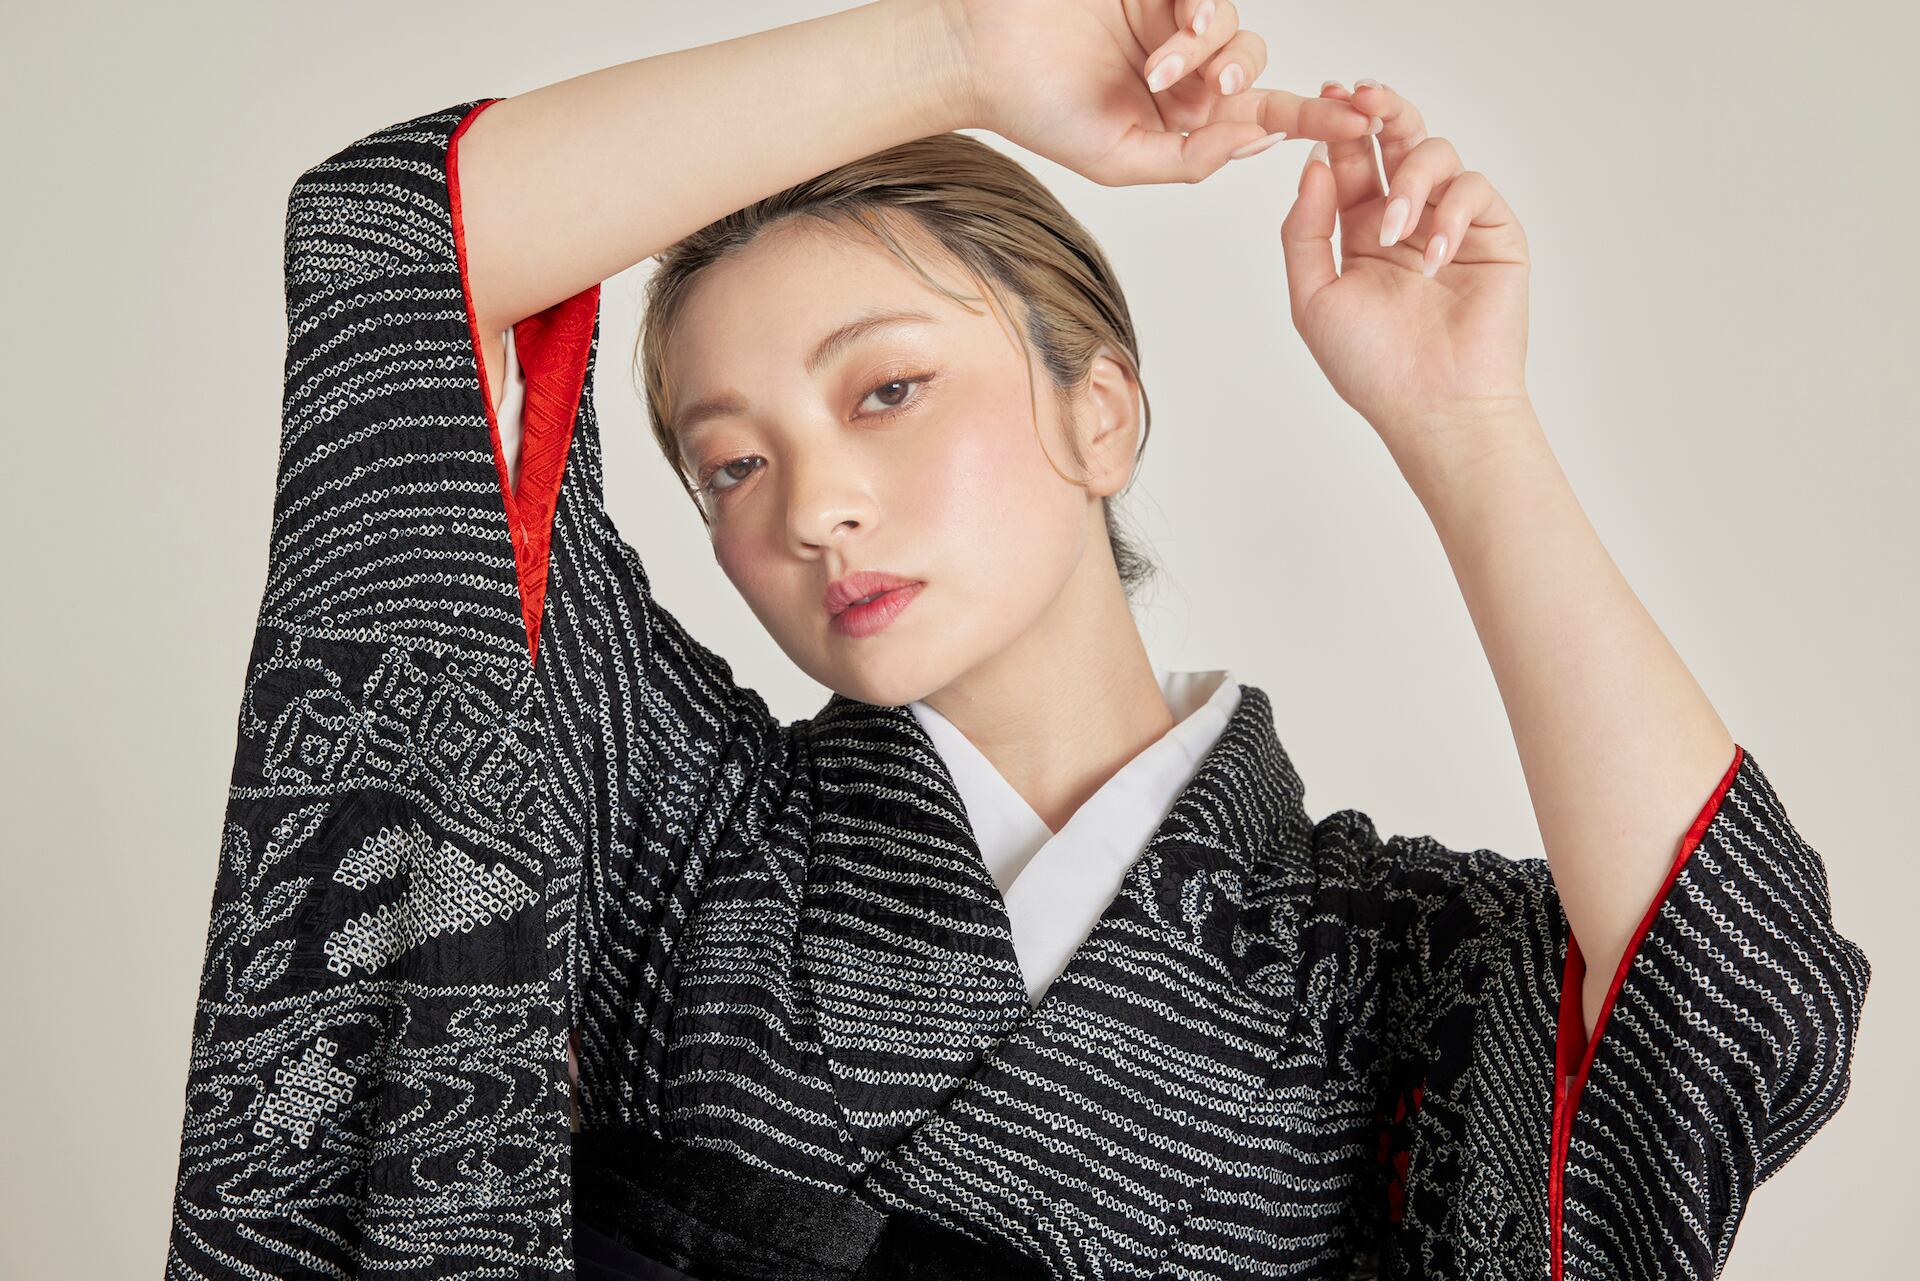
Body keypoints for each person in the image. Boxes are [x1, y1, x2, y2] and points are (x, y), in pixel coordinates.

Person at [164, 2, 1870, 1279]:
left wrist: (1465, 424)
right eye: (732, 463)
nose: (813, 506)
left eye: (886, 389)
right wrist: (963, 49)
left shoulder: (1382, 967)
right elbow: (390, 242)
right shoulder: (677, 825)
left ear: (1099, 412)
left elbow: (1738, 989)